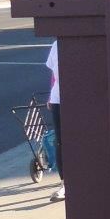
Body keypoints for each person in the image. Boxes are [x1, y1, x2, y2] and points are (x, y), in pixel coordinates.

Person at [45, 40, 64, 201]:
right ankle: (65, 184)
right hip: (58, 98)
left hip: (79, 99)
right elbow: (54, 74)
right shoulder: (56, 45)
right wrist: (51, 95)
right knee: (61, 142)